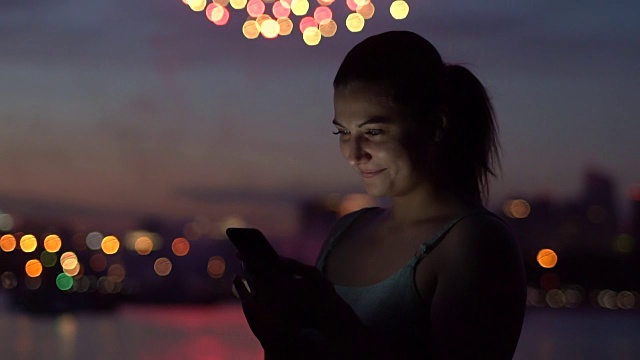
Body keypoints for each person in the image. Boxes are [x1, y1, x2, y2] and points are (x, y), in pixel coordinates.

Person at [233, 30, 526, 359]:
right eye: (343, 132)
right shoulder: (346, 232)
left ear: (437, 125)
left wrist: (333, 320)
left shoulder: (473, 242)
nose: (354, 153)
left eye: (373, 131)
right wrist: (279, 340)